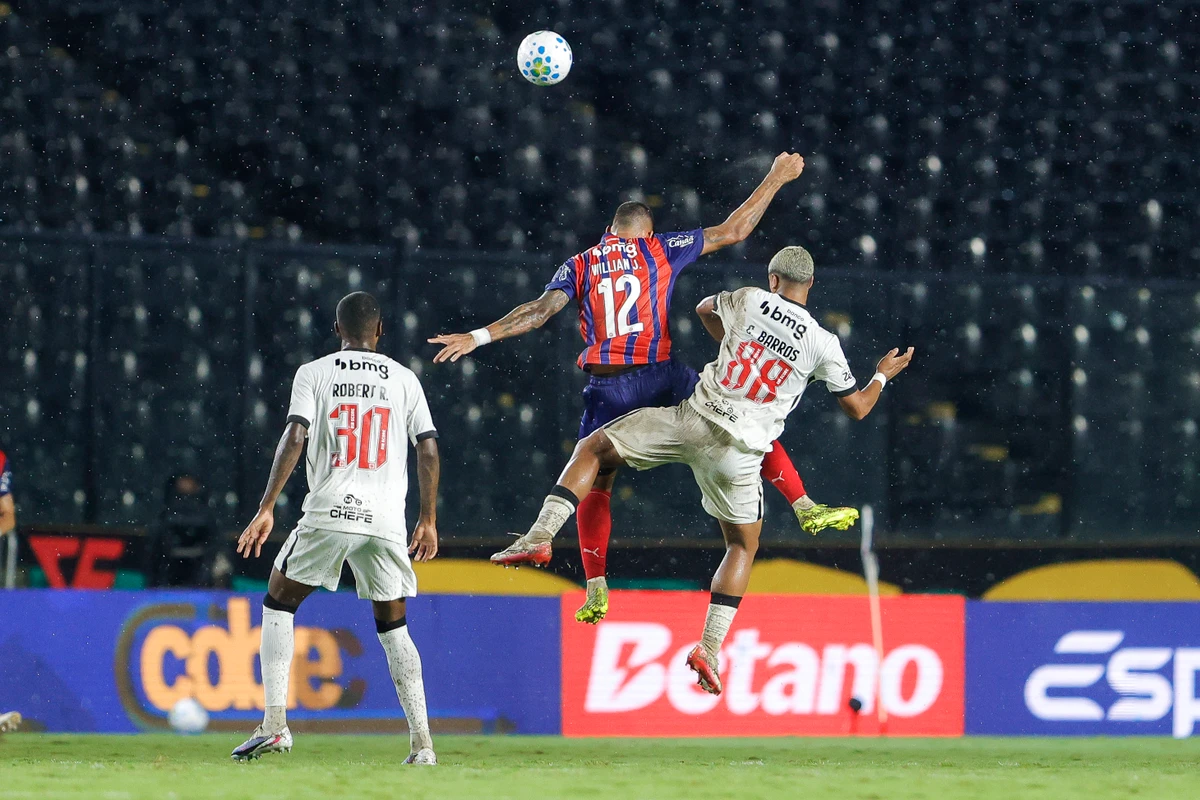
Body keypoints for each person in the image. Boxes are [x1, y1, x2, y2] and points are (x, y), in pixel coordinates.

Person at [429, 153, 857, 625]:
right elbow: (734, 230)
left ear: (609, 232)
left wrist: (478, 335)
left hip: (608, 387)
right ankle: (803, 503)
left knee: (596, 477)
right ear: (648, 232)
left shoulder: (581, 263)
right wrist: (776, 177)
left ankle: (583, 576)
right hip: (663, 376)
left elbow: (539, 311)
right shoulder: (660, 249)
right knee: (744, 413)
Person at [491, 246, 914, 694]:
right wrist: (883, 374)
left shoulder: (750, 299)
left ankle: (539, 536)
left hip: (692, 420)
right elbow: (858, 407)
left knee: (593, 449)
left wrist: (732, 338)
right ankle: (708, 649)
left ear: (773, 279)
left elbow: (705, 308)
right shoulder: (824, 343)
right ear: (810, 286)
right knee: (740, 548)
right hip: (740, 455)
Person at [232, 292, 442, 765]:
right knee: (394, 628)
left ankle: (274, 725)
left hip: (332, 508)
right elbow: (427, 447)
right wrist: (427, 518)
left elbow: (295, 433)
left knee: (279, 600)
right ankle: (423, 745)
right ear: (380, 331)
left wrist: (267, 506)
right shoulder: (406, 380)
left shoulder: (316, 372)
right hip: (388, 520)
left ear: (336, 330)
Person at [145, 474, 221, 588]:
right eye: (182, 482)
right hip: (167, 576)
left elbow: (216, 543)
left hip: (202, 575)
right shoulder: (165, 515)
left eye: (190, 483)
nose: (186, 486)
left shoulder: (207, 516)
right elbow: (154, 550)